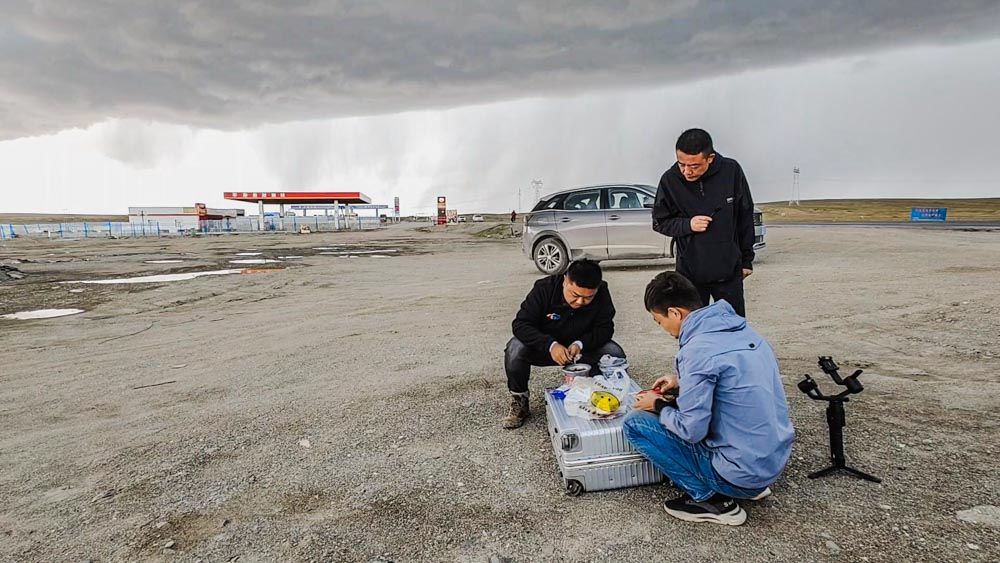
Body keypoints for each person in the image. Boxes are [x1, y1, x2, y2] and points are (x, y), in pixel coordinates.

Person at [623, 272, 793, 526]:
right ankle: (751, 486)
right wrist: (682, 382)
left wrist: (657, 404)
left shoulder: (696, 351)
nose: (663, 329)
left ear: (675, 313)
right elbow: (733, 385)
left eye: (659, 321)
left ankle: (709, 499)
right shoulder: (746, 333)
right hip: (770, 464)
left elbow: (691, 430)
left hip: (740, 474)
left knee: (634, 423)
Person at [501, 259, 624, 429]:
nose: (580, 302)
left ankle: (602, 394)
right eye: (575, 295)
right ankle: (519, 399)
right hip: (544, 348)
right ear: (565, 281)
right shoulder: (544, 289)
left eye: (588, 297)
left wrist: (581, 344)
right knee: (515, 349)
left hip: (580, 351)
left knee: (614, 352)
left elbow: (605, 328)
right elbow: (521, 324)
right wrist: (550, 345)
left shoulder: (602, 292)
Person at [652, 128, 757, 317]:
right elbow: (659, 222)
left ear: (710, 158)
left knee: (733, 328)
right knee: (694, 331)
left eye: (694, 165)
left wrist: (747, 259)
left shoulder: (731, 171)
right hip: (689, 275)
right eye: (681, 164)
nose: (686, 171)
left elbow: (745, 215)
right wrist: (687, 225)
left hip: (728, 272)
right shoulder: (670, 180)